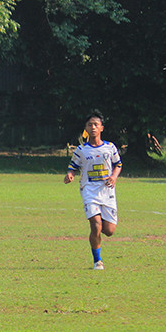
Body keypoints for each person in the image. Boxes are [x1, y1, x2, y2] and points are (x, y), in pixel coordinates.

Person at [64, 111, 122, 270]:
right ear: (86, 129)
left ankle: (98, 233)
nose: (93, 127)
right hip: (89, 191)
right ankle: (98, 261)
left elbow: (118, 164)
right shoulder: (81, 150)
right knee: (96, 226)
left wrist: (114, 177)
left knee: (109, 231)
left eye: (96, 124)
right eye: (90, 125)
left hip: (107, 192)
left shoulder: (110, 147)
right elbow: (72, 167)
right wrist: (70, 175)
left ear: (102, 128)